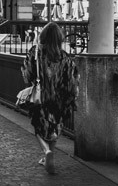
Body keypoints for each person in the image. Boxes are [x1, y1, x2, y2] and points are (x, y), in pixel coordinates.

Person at [21, 22, 79, 175]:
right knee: (54, 127)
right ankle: (49, 155)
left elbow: (28, 74)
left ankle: (47, 152)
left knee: (38, 126)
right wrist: (71, 98)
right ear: (59, 38)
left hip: (41, 97)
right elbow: (72, 80)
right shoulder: (65, 57)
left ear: (43, 37)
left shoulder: (36, 52)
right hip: (59, 100)